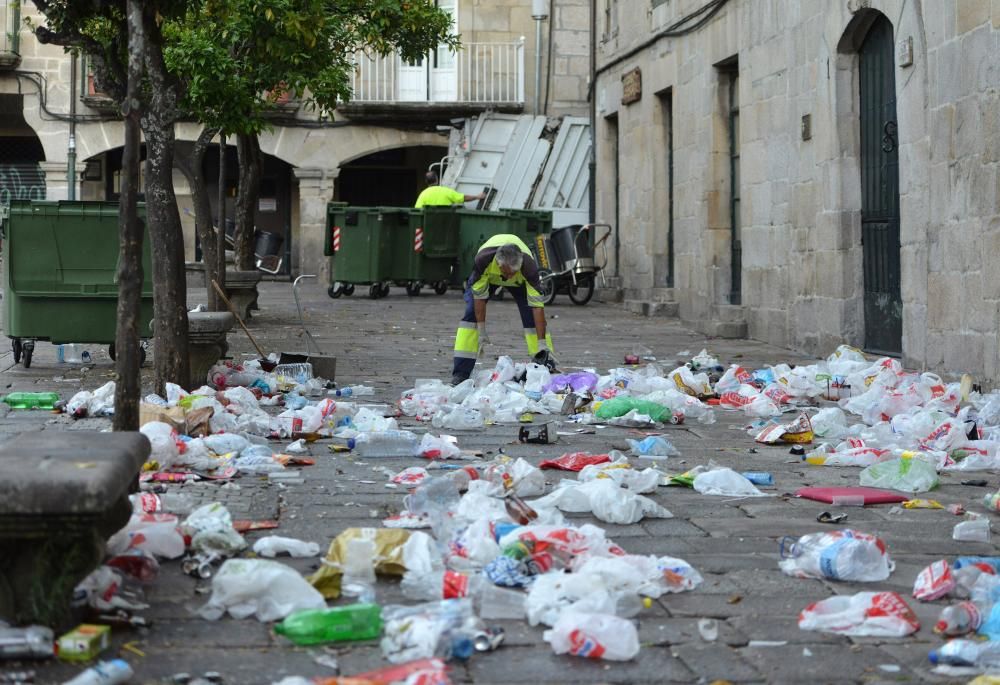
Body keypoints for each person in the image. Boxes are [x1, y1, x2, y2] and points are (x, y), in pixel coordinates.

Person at [451, 234, 556, 385]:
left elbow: (538, 308)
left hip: (521, 282)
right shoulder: (483, 260)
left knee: (532, 319)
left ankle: (543, 362)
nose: (509, 277)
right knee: (470, 316)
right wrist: (481, 331)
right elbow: (479, 298)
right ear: (499, 265)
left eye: (513, 272)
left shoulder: (529, 267)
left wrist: (541, 342)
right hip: (489, 277)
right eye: (507, 272)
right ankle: (461, 373)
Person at [414, 170, 484, 208]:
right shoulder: (446, 191)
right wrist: (477, 197)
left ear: (426, 181)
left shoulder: (423, 194)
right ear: (437, 179)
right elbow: (463, 198)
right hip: (445, 225)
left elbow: (418, 209)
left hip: (428, 225)